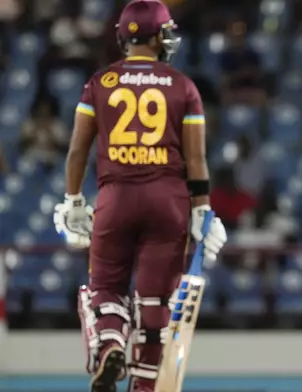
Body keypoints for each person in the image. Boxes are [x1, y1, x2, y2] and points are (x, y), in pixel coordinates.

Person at [51, 1, 228, 391]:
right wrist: (203, 210)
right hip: (169, 202)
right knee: (156, 304)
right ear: (158, 36)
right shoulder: (182, 85)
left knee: (106, 290)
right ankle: (145, 386)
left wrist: (74, 200)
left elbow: (78, 150)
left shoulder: (101, 82)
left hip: (115, 198)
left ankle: (111, 343)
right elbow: (196, 159)